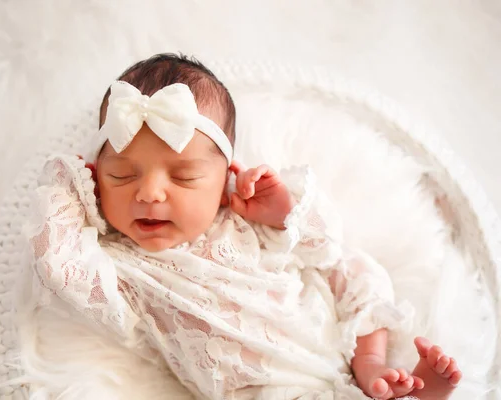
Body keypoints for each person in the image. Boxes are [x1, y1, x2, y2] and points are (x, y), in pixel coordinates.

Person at [25, 53, 461, 400]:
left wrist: (281, 213)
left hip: (328, 335)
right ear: (97, 179)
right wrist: (68, 187)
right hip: (263, 390)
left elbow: (324, 247)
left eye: (183, 177)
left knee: (358, 271)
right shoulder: (123, 268)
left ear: (224, 179)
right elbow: (61, 268)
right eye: (122, 175)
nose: (150, 194)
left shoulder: (242, 218)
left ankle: (373, 364)